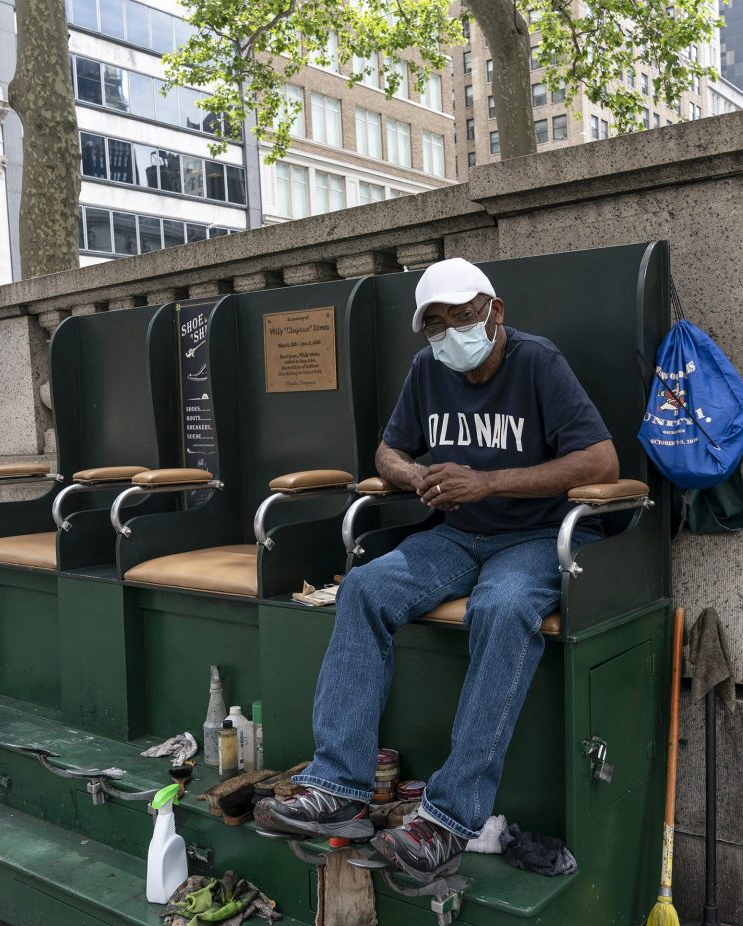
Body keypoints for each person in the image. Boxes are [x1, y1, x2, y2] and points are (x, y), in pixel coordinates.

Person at [254, 257, 618, 879]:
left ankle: (451, 818)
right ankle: (339, 787)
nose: (453, 332)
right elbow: (387, 450)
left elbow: (601, 461)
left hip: (533, 537)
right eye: (437, 323)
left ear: (494, 311)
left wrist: (488, 482)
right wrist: (418, 475)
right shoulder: (429, 367)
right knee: (364, 587)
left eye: (465, 316)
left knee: (503, 609)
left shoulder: (537, 360)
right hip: (455, 536)